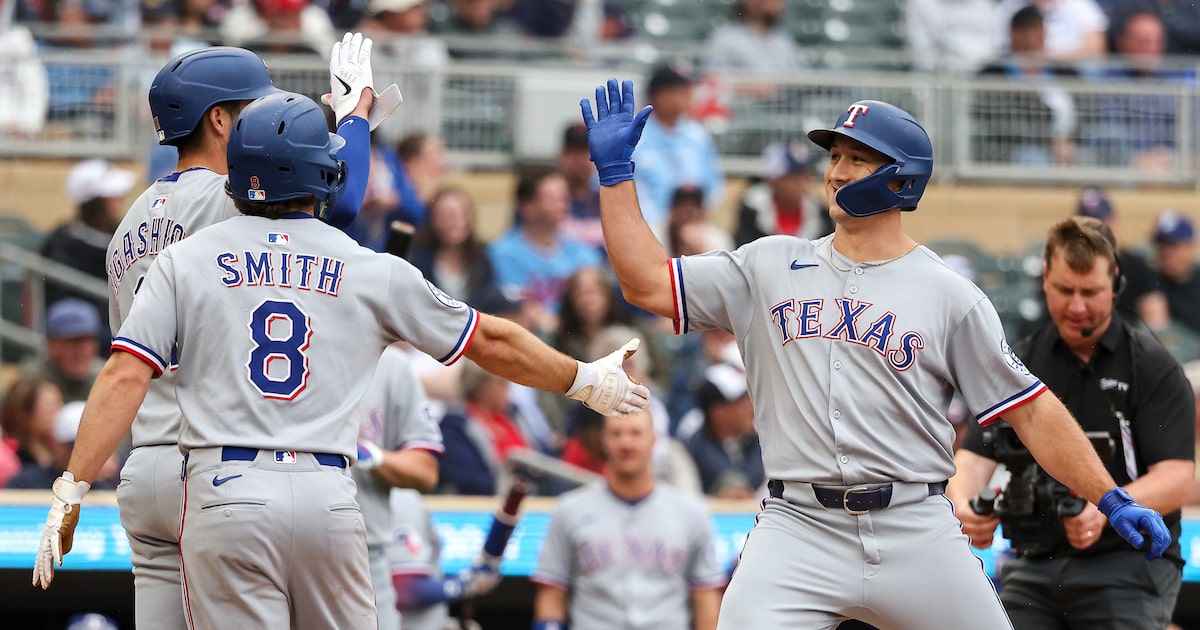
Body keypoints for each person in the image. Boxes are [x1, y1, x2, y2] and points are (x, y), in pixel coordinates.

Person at [32, 90, 647, 628]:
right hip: (328, 489)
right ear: (324, 173)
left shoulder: (184, 259)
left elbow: (124, 374)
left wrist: (72, 485)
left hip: (223, 489)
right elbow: (490, 340)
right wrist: (585, 380)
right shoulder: (367, 267)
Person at [578, 79, 1171, 628]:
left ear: (900, 180)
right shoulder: (766, 264)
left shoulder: (949, 294)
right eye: (834, 156)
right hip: (798, 525)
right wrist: (615, 177)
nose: (835, 172)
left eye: (856, 157)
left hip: (914, 523)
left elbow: (1031, 409)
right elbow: (647, 284)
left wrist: (1110, 495)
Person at [67, 37, 384, 630]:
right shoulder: (229, 200)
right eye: (252, 110)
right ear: (219, 120)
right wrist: (354, 121)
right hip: (213, 463)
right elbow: (336, 208)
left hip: (147, 465)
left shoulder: (128, 223)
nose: (266, 122)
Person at [949, 216, 1194, 628]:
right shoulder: (1018, 363)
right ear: (1045, 278)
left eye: (1091, 292)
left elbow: (1177, 476)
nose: (1077, 306)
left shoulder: (1152, 366)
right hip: (1032, 566)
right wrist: (964, 507)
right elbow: (972, 459)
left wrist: (1107, 509)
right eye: (1065, 290)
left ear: (1115, 284)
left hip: (1128, 565)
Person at [532, 408, 726, 630]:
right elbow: (553, 594)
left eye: (635, 433)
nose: (626, 443)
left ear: (653, 439)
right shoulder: (569, 510)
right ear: (604, 440)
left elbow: (705, 598)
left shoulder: (691, 513)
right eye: (616, 434)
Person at [353, 345, 498, 630]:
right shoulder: (405, 501)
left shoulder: (393, 367)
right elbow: (408, 588)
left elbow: (425, 470)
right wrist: (462, 586)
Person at [43, 158, 135, 329]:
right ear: (95, 203)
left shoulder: (121, 236)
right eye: (112, 195)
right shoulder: (61, 247)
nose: (120, 199)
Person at [630, 64, 724, 231]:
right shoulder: (634, 138)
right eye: (679, 90)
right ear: (659, 95)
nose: (688, 95)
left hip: (695, 227)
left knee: (719, 241)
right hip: (647, 228)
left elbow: (714, 188)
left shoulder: (698, 136)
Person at [684, 363, 764, 499]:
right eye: (741, 402)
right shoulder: (690, 452)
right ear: (717, 412)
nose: (750, 408)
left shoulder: (762, 445)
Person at [734, 141, 831, 247]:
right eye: (793, 176)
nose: (802, 182)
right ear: (773, 180)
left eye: (805, 174)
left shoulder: (820, 214)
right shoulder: (752, 212)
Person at [22, 298, 105, 404]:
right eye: (74, 341)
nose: (83, 350)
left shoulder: (104, 377)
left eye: (89, 340)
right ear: (51, 344)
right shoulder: (31, 384)